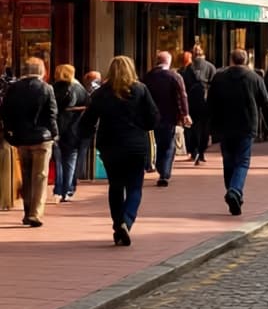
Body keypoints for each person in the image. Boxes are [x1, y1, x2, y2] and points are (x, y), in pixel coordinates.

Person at [79, 56, 159, 246]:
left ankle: (118, 223)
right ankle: (126, 220)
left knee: (115, 186)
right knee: (134, 187)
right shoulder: (140, 89)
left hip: (110, 145)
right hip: (135, 144)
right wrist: (142, 125)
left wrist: (87, 135)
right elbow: (153, 118)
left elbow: (87, 120)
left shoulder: (101, 93)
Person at [207, 48, 268, 216]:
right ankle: (235, 191)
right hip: (246, 126)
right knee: (242, 162)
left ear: (231, 60)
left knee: (228, 161)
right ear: (245, 61)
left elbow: (210, 103)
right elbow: (265, 103)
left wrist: (208, 126)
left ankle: (232, 192)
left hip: (224, 126)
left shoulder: (219, 77)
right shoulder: (255, 78)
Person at [1, 58, 58, 227]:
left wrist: (10, 133)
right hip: (42, 138)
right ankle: (35, 213)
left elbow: (6, 113)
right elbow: (51, 114)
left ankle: (27, 211)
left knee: (26, 176)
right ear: (42, 71)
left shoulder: (13, 89)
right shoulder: (47, 88)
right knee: (40, 176)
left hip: (22, 138)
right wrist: (55, 134)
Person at [143, 51, 190, 187]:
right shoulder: (174, 76)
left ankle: (159, 166)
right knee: (168, 144)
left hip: (151, 116)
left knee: (155, 143)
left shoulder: (148, 77)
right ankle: (164, 172)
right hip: (169, 116)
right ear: (168, 62)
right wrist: (185, 114)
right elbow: (182, 96)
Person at [51, 64, 88, 202]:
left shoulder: (53, 88)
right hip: (74, 128)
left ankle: (58, 189)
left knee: (58, 160)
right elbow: (88, 105)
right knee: (70, 159)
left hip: (56, 128)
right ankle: (68, 189)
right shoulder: (79, 89)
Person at [180, 45, 215, 164]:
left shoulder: (187, 69)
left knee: (192, 128)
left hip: (191, 102)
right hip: (205, 101)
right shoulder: (210, 67)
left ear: (193, 54)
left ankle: (193, 151)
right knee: (205, 128)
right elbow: (214, 85)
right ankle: (201, 152)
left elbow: (182, 87)